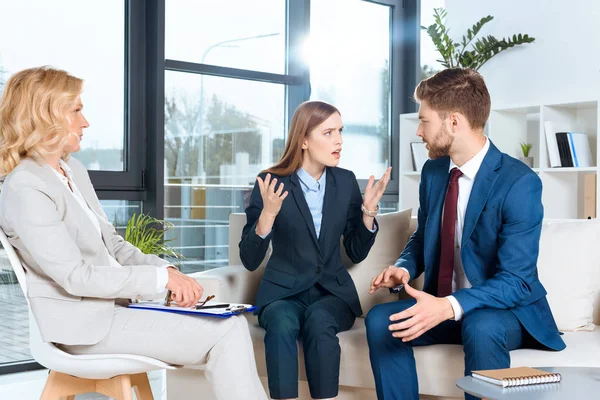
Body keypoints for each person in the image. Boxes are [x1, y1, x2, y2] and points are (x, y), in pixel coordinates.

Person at [0, 66, 267, 400]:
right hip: (83, 328)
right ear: (46, 116)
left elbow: (112, 244)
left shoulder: (71, 171)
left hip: (116, 311)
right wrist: (158, 282)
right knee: (227, 331)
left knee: (230, 322)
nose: (86, 122)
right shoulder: (26, 186)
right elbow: (75, 277)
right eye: (76, 111)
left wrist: (165, 270)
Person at [365, 68, 565, 400]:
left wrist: (450, 306)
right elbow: (423, 236)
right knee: (382, 319)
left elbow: (516, 280)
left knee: (481, 324)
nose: (418, 132)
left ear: (453, 122)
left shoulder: (519, 182)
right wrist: (403, 268)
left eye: (424, 121)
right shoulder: (433, 171)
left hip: (503, 311)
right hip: (443, 305)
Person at [240, 100, 391, 400]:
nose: (339, 141)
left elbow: (356, 252)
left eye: (340, 132)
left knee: (319, 321)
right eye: (329, 132)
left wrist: (369, 212)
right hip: (283, 292)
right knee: (282, 322)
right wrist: (267, 215)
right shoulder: (271, 182)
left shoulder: (345, 181)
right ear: (305, 140)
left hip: (332, 293)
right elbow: (249, 258)